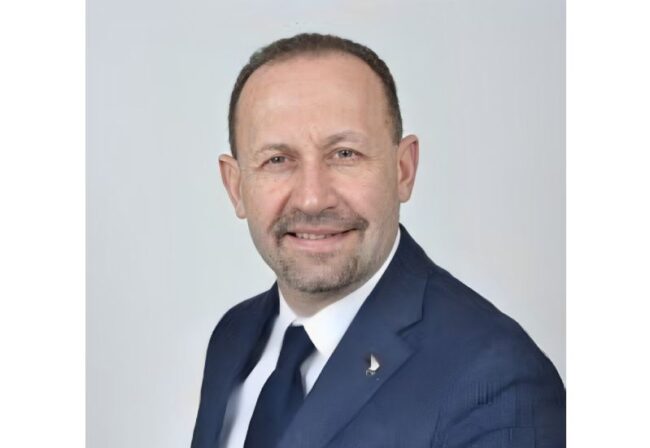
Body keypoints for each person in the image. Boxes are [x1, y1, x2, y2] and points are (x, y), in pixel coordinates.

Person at [192, 33, 565, 448]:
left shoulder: (495, 382)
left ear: (404, 170)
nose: (313, 198)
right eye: (277, 160)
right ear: (236, 186)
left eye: (345, 154)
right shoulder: (233, 336)